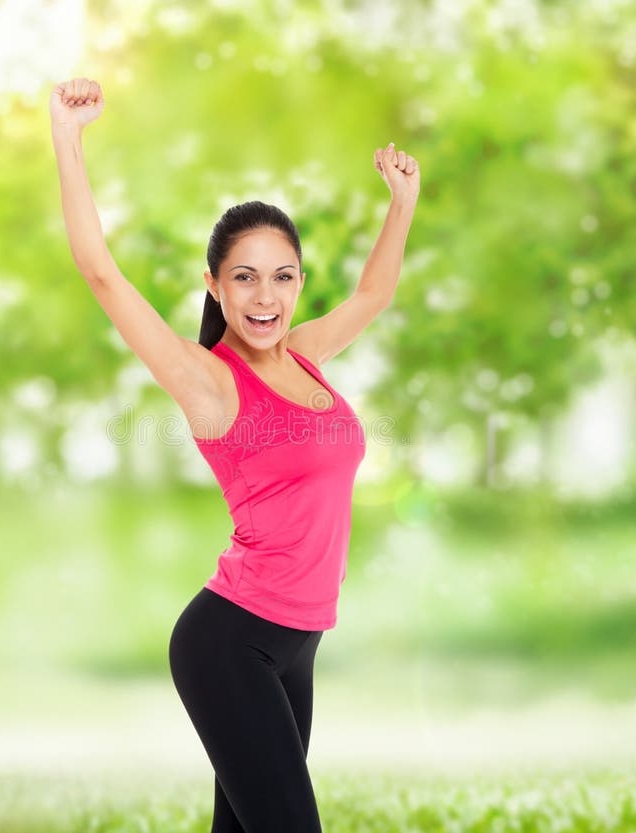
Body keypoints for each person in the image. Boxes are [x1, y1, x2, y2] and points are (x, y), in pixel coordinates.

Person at [50, 77, 420, 832]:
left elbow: (373, 296)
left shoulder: (307, 355)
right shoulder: (210, 380)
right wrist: (67, 135)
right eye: (243, 276)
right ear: (215, 286)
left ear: (298, 284)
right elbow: (101, 273)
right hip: (231, 641)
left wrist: (402, 202)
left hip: (299, 643)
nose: (265, 295)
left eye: (282, 276)